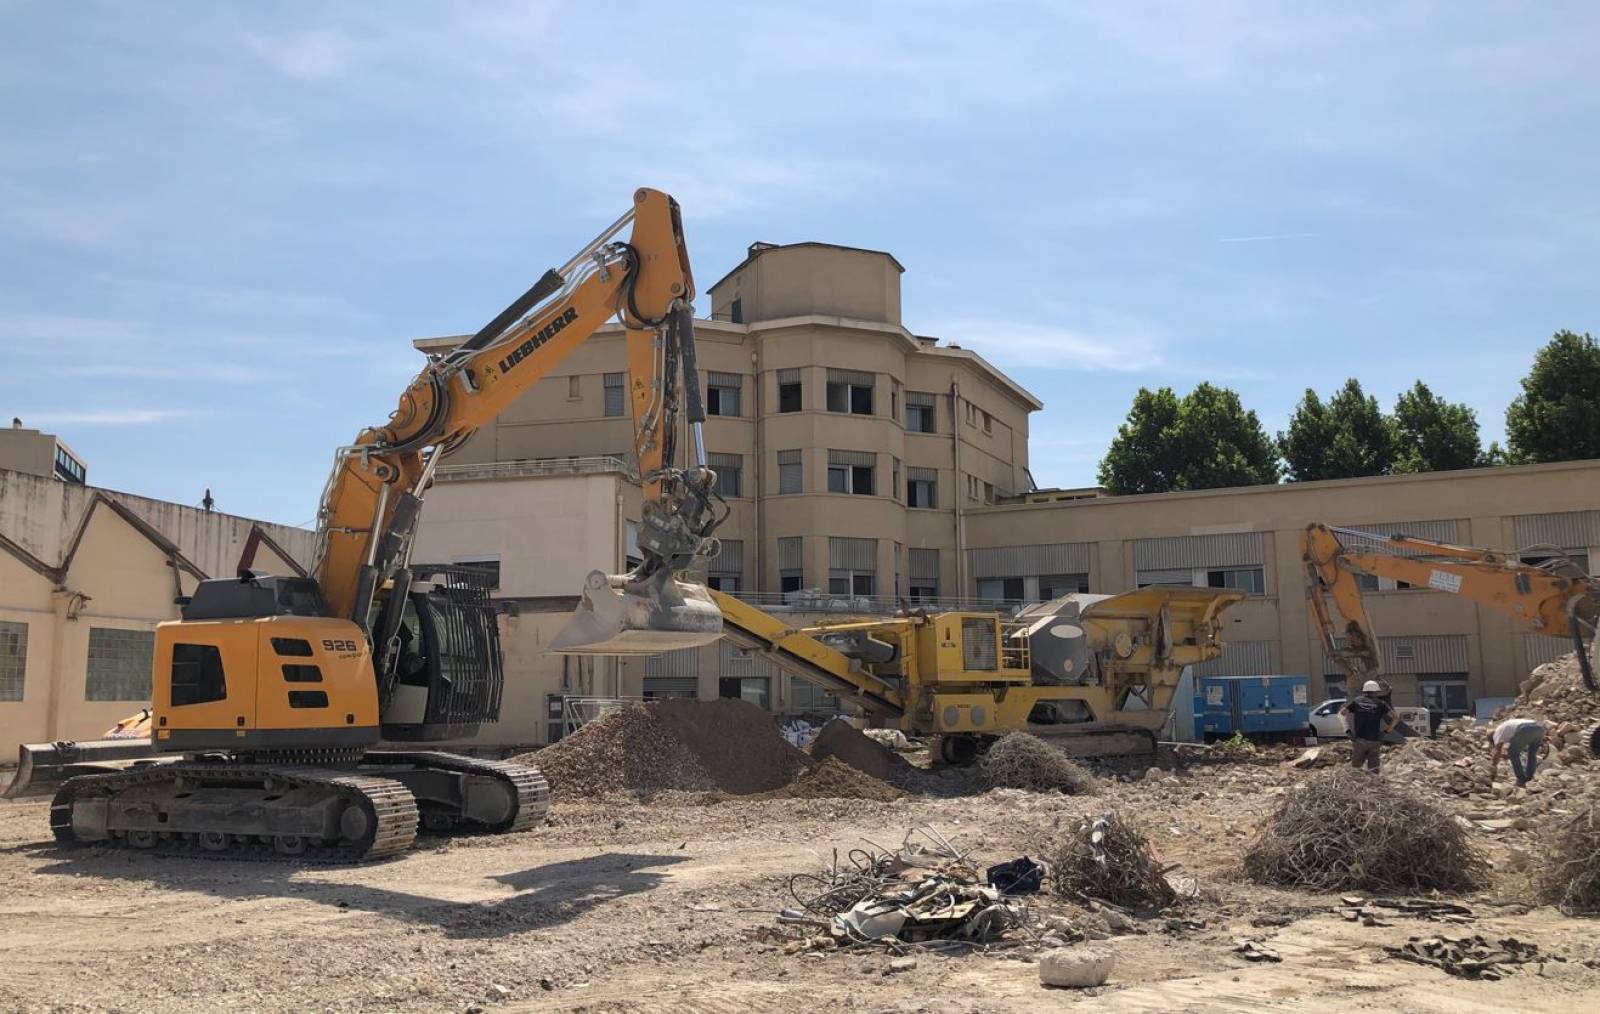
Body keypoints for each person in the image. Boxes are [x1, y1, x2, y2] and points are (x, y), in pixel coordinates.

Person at [1340, 680, 1398, 772]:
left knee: (1356, 770)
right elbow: (1395, 718)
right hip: (1374, 741)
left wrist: (1348, 731)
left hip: (1359, 740)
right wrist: (1386, 732)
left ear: (1364, 690)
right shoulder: (1381, 703)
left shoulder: (1357, 701)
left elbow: (1342, 713)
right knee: (1374, 770)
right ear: (1376, 691)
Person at [1488, 717, 1549, 787]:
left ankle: (1521, 780)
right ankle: (1529, 777)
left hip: (1525, 729)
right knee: (1532, 754)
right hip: (1539, 727)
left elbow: (1497, 751)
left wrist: (1493, 766)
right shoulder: (1504, 728)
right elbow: (1517, 743)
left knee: (1513, 753)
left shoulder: (1496, 733)